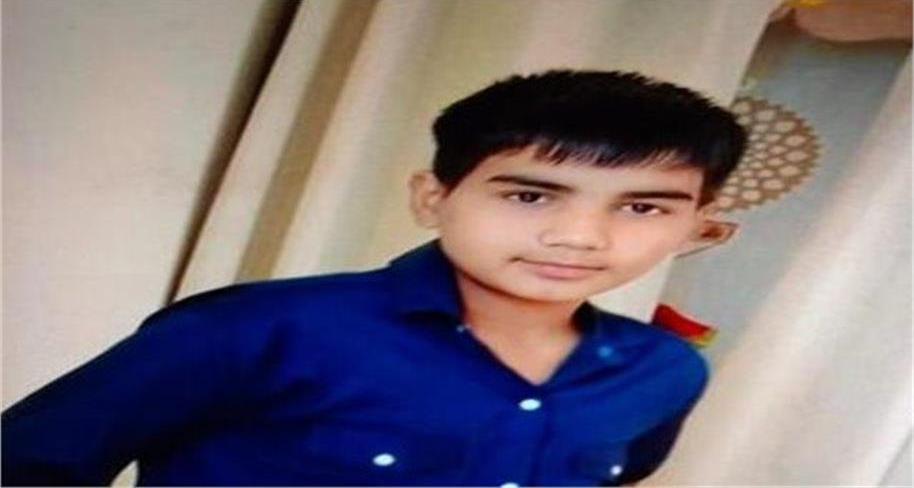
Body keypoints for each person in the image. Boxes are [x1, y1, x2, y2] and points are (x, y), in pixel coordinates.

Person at [2, 69, 746, 486]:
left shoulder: (662, 369)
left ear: (697, 226)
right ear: (433, 198)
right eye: (529, 195)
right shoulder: (254, 330)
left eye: (642, 207)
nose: (579, 235)